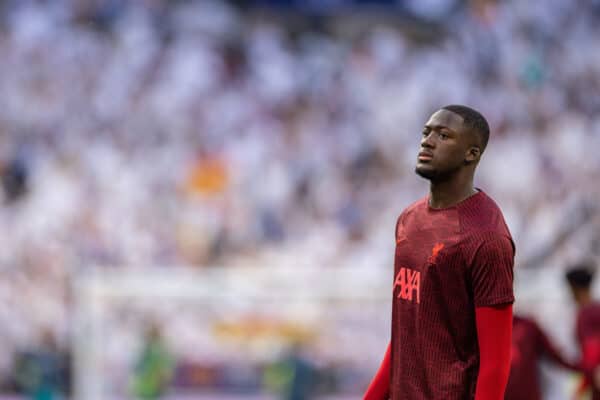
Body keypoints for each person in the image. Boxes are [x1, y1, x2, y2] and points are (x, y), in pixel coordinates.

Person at [364, 105, 515, 400]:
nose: (428, 140)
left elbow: (496, 363)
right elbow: (406, 333)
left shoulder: (487, 238)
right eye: (426, 132)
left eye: (443, 135)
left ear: (471, 154)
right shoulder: (409, 220)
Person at [505, 314, 579, 400]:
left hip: (528, 395)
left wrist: (583, 367)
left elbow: (554, 355)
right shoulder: (490, 328)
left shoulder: (528, 326)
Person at [565, 264, 600, 400]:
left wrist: (582, 386)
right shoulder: (596, 309)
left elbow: (592, 352)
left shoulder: (585, 314)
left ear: (575, 288)